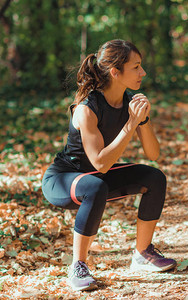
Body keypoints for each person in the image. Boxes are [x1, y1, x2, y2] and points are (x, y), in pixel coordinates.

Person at [42, 39, 177, 291]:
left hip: (96, 177)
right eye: (136, 67)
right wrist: (130, 124)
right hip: (63, 179)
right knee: (94, 186)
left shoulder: (130, 102)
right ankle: (78, 266)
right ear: (115, 72)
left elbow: (153, 153)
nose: (143, 73)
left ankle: (142, 254)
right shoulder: (87, 109)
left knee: (155, 177)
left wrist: (143, 120)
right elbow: (101, 163)